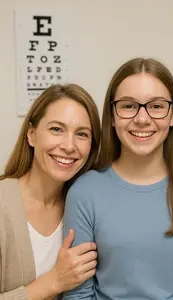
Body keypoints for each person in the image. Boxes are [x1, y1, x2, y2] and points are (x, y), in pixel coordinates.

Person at [62, 57, 173, 299]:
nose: (142, 118)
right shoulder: (84, 192)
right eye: (128, 106)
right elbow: (78, 294)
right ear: (113, 116)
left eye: (156, 106)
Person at [0, 83, 101, 299]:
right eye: (56, 129)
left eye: (82, 134)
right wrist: (54, 281)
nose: (69, 145)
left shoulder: (86, 206)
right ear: (31, 134)